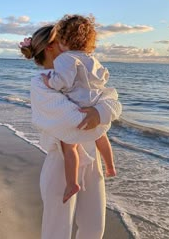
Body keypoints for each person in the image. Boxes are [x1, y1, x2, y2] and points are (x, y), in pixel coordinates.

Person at [19, 24, 122, 239]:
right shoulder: (41, 83)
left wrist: (101, 111)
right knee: (57, 229)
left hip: (92, 160)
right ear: (51, 47)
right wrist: (100, 113)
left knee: (94, 227)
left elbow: (114, 102)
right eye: (64, 40)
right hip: (62, 162)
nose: (74, 46)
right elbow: (76, 121)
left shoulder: (78, 75)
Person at [41, 15, 116, 204]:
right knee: (101, 136)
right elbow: (103, 78)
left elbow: (62, 81)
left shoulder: (66, 59)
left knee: (69, 148)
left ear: (63, 40)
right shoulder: (92, 59)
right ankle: (110, 166)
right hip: (94, 105)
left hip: (78, 109)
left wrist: (49, 81)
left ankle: (72, 183)